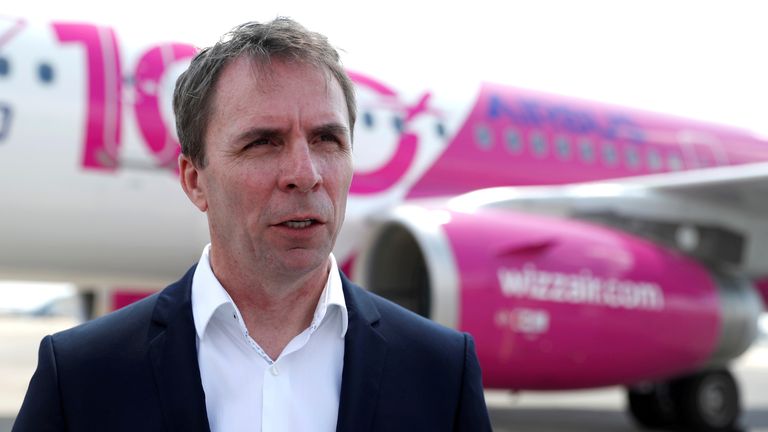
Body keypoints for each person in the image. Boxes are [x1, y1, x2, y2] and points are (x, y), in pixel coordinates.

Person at [13, 18, 491, 432]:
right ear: (195, 180)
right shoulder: (79, 376)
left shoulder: (442, 372)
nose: (305, 173)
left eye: (327, 139)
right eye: (263, 142)